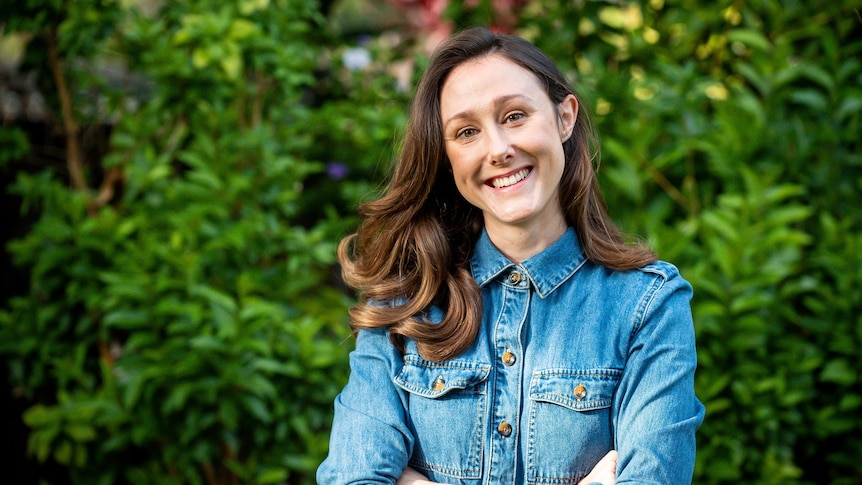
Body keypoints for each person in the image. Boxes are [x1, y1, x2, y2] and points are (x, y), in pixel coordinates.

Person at [317, 26, 704, 485]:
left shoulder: (647, 306)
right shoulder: (406, 305)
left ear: (565, 117)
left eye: (515, 115)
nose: (498, 149)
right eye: (466, 132)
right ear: (446, 157)